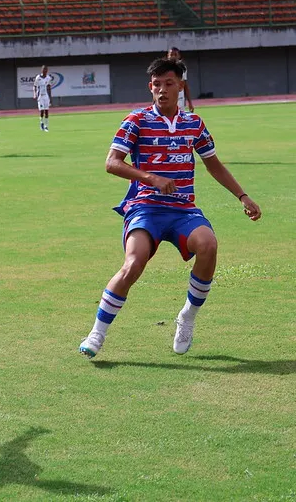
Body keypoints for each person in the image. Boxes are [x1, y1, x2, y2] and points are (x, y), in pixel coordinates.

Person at [79, 58, 261, 359]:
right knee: (133, 264)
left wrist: (242, 196)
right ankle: (96, 334)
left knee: (208, 245)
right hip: (145, 208)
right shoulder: (136, 120)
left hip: (183, 210)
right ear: (151, 87)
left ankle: (187, 317)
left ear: (181, 86)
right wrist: (150, 177)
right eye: (157, 84)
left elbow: (213, 165)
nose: (162, 89)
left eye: (169, 83)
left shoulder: (194, 123)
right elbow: (111, 163)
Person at [166, 47, 194, 112]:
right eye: (171, 54)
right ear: (168, 56)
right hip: (167, 98)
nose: (173, 56)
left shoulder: (183, 68)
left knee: (179, 119)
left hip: (180, 99)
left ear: (179, 56)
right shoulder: (164, 68)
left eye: (175, 54)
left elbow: (185, 85)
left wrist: (190, 103)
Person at [33, 66, 52, 132]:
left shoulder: (48, 78)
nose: (45, 71)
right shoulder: (38, 77)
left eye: (46, 70)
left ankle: (46, 126)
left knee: (46, 111)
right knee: (42, 111)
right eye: (44, 70)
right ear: (41, 70)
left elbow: (49, 88)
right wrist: (34, 94)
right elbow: (34, 86)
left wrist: (50, 97)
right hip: (40, 96)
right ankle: (41, 123)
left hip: (46, 96)